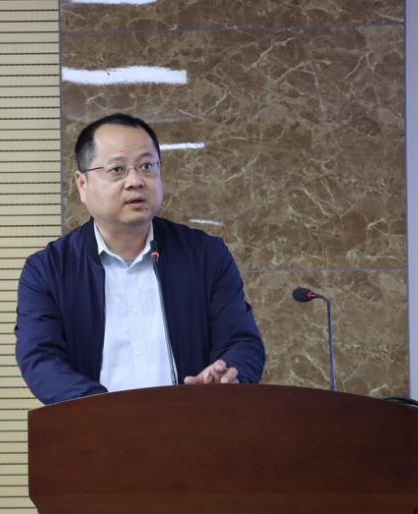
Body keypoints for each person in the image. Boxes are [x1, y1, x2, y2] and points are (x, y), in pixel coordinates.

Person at [15, 113, 265, 405]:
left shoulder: (206, 255)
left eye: (146, 166)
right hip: (95, 428)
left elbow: (241, 342)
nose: (135, 181)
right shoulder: (48, 270)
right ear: (82, 184)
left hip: (194, 424)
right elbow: (41, 358)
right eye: (117, 169)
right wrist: (101, 409)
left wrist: (228, 375)